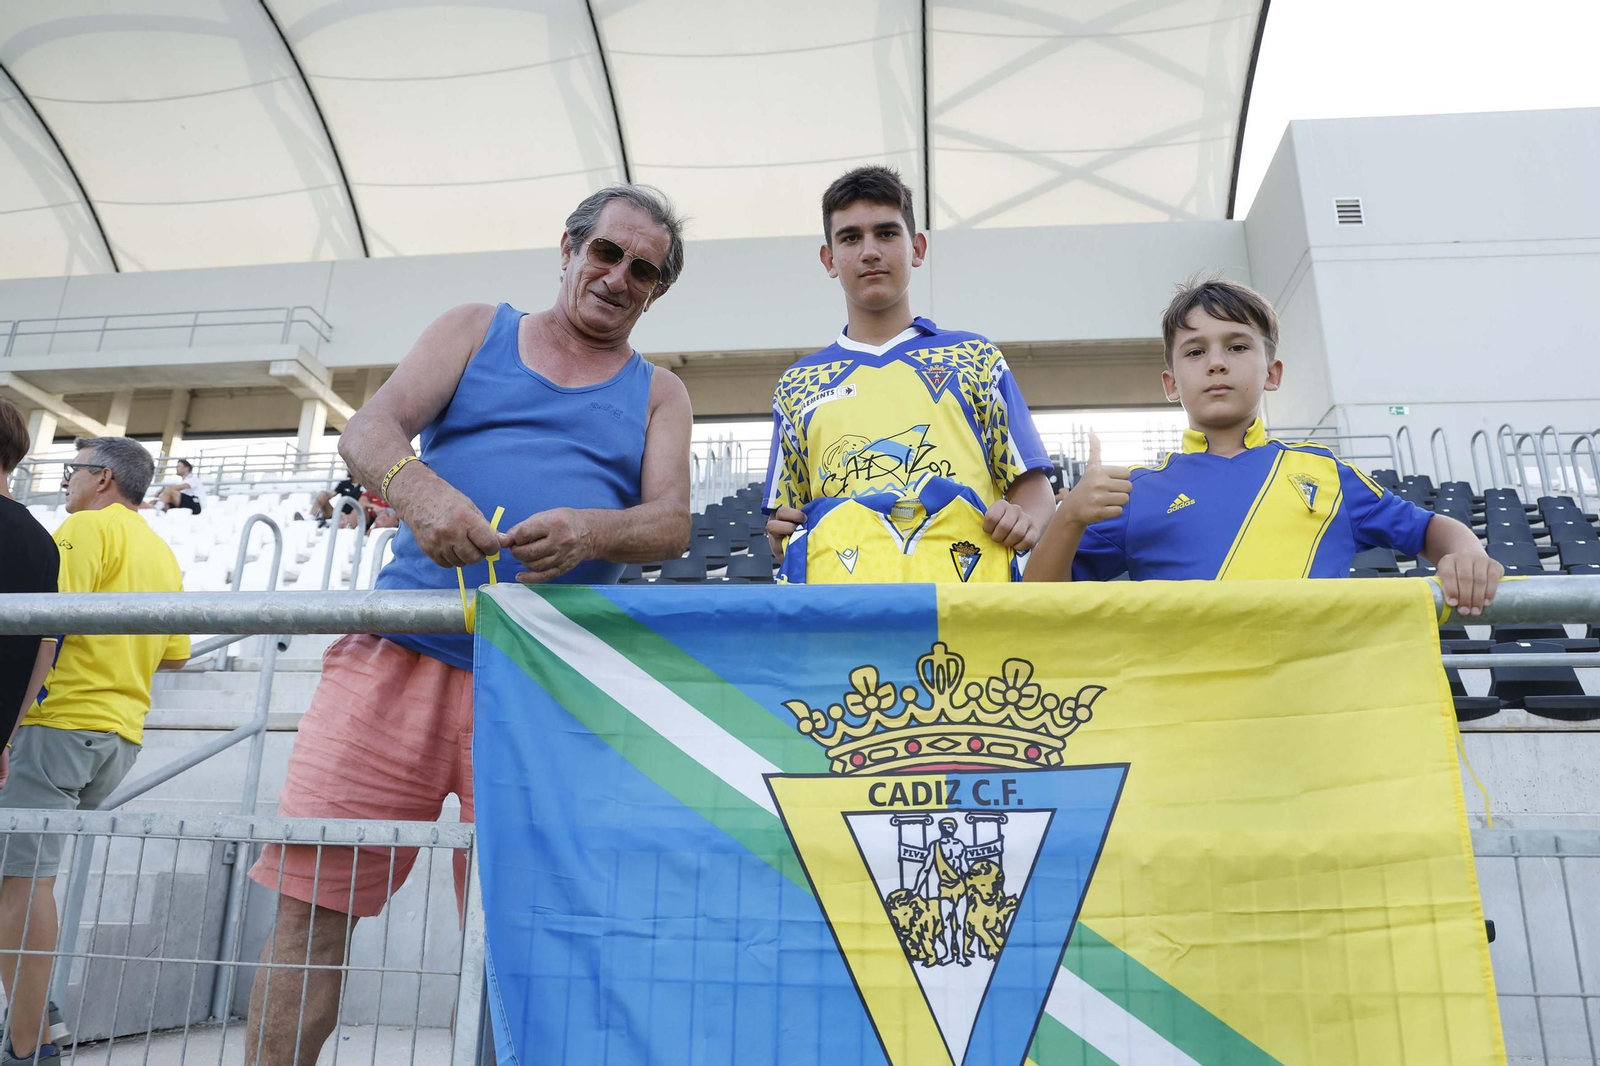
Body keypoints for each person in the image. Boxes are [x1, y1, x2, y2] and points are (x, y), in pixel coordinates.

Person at [243, 184, 694, 1065]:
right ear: (568, 248)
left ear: (656, 293)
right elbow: (370, 430)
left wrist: (591, 528)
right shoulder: (474, 327)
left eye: (643, 270)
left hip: (543, 683)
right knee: (310, 902)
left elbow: (670, 523)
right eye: (606, 253)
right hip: (395, 656)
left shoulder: (658, 391)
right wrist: (418, 492)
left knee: (533, 936)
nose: (617, 277)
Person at [1025, 277, 1502, 615]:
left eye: (1237, 347)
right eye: (1196, 351)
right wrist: (1068, 519)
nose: (1216, 363)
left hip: (1311, 722)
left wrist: (1465, 554)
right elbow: (1035, 606)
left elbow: (1432, 529)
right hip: (1194, 724)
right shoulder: (1134, 492)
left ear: (1272, 373)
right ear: (1171, 383)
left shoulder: (1327, 475)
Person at [763, 166, 1054, 584]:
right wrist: (783, 533)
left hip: (969, 595)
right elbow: (784, 519)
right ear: (829, 259)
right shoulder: (797, 383)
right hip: (844, 608)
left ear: (917, 248)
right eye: (850, 237)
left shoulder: (974, 356)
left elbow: (1031, 486)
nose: (869, 251)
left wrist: (1023, 520)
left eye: (886, 233)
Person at [0, 435, 189, 1064]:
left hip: (58, 725)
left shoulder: (83, 531)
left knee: (21, 883)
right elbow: (174, 653)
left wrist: (13, 724)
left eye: (71, 470)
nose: (64, 482)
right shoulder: (162, 553)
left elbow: (43, 624)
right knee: (22, 879)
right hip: (118, 736)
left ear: (103, 477)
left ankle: (28, 1046)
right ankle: (37, 1006)